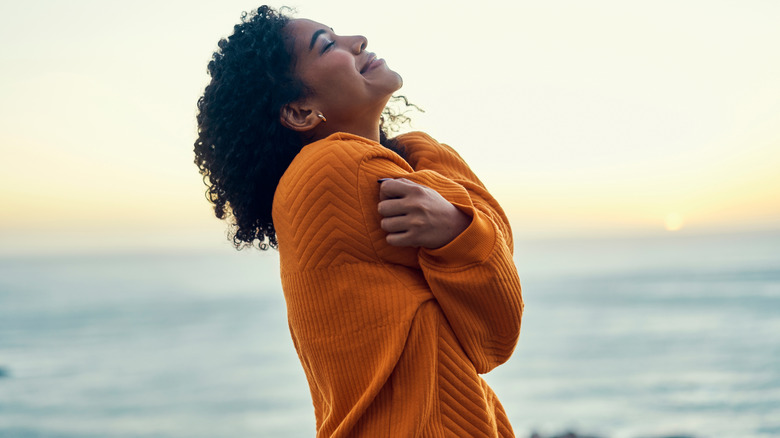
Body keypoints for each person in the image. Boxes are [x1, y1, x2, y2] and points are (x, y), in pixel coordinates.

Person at [194, 6, 523, 437]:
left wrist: (430, 171)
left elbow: (496, 245)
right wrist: (463, 233)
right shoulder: (339, 168)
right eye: (328, 45)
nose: (358, 40)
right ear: (299, 111)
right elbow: (495, 331)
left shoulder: (348, 169)